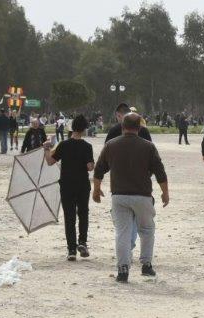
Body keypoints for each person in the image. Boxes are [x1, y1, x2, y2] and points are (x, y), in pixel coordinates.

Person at [92, 112, 169, 282]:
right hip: (142, 196)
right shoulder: (148, 146)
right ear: (140, 127)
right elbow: (160, 172)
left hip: (119, 196)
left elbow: (98, 170)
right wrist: (165, 192)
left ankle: (123, 269)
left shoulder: (111, 145)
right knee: (147, 230)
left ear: (122, 126)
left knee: (122, 233)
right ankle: (146, 265)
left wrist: (96, 190)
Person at [47, 114, 95, 261]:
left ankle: (71, 250)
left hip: (67, 184)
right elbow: (90, 167)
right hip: (82, 184)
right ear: (84, 129)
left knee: (69, 216)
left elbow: (50, 162)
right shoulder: (87, 146)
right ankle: (82, 242)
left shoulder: (64, 145)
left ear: (72, 128)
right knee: (83, 213)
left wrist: (46, 149)